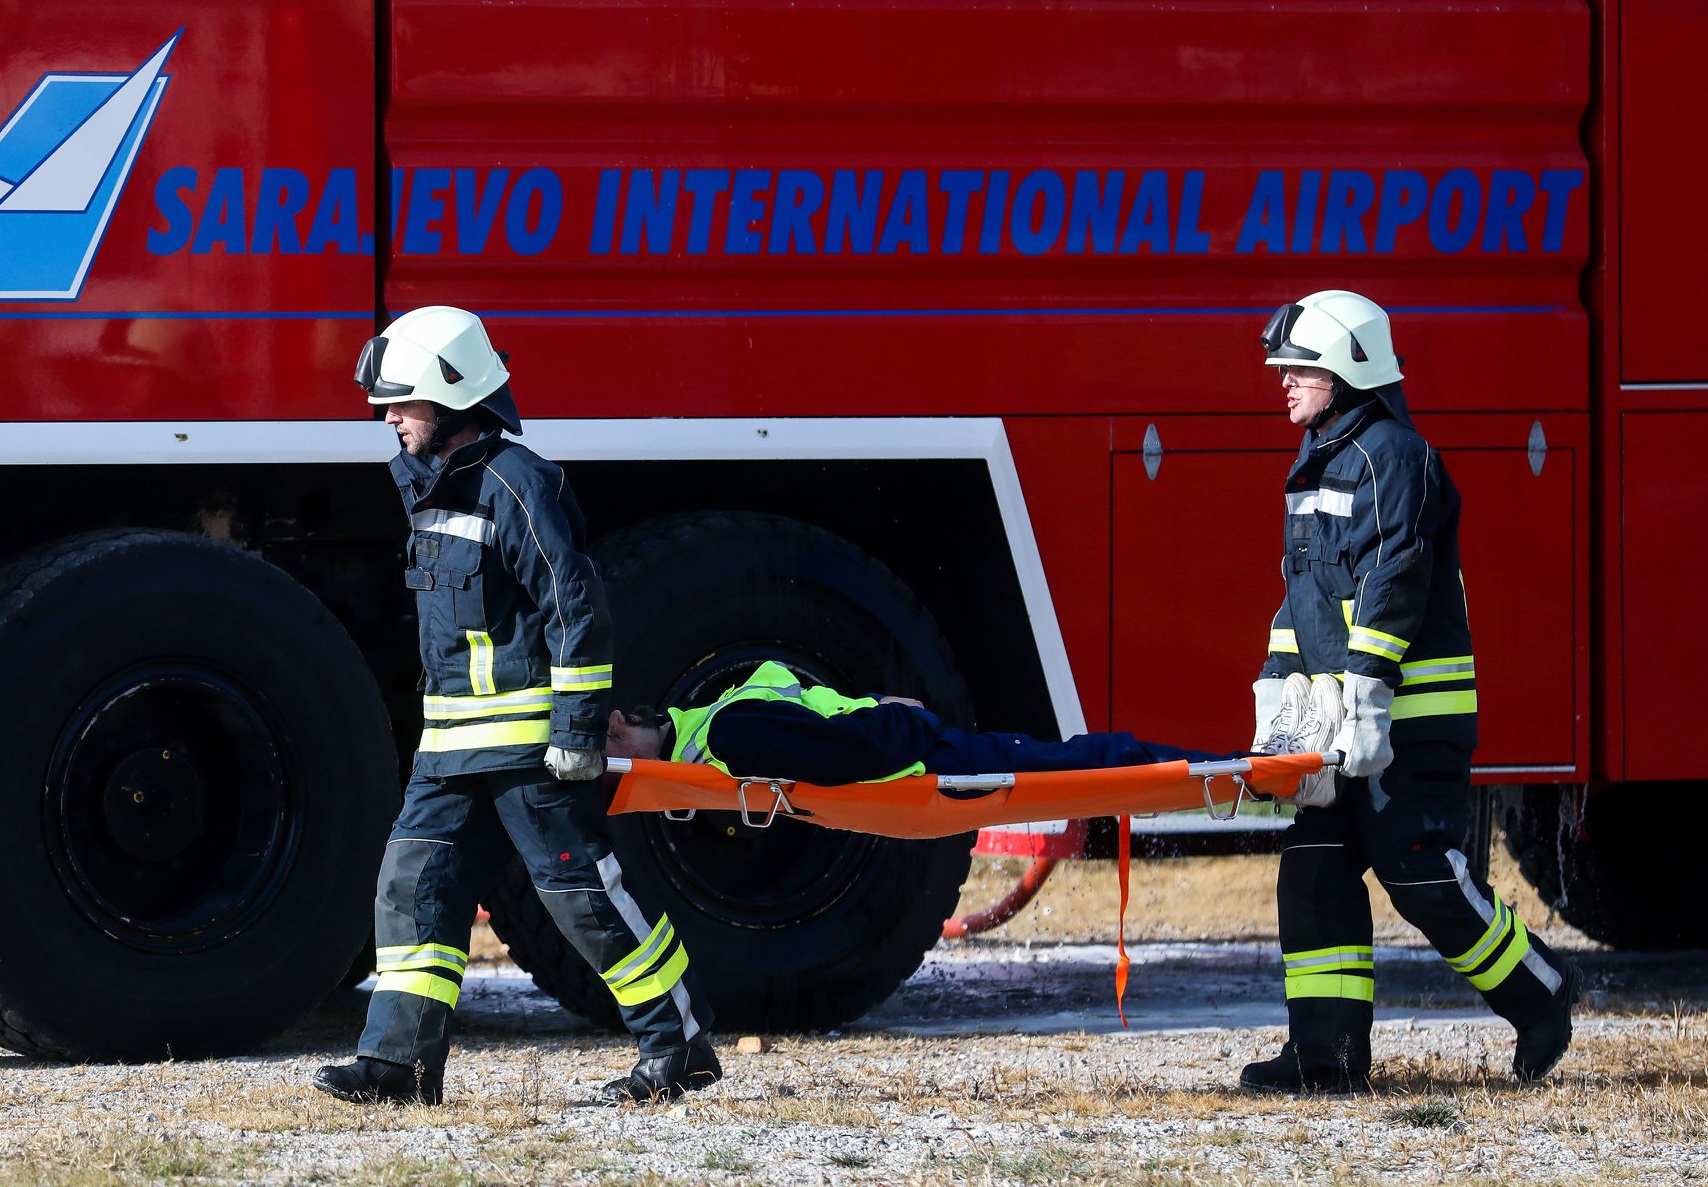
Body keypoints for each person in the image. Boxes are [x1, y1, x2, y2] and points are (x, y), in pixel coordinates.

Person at [313, 306, 717, 1107]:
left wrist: (573, 734)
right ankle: (401, 1068)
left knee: (583, 898)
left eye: (403, 403)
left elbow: (576, 609)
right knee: (412, 890)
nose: (387, 418)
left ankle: (679, 1049)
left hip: (532, 751)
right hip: (451, 753)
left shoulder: (517, 483)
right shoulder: (429, 489)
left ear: (454, 397)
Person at [1241, 290, 1578, 1094]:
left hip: (1408, 718)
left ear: (1348, 369)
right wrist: (1279, 694)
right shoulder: (1317, 460)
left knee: (1421, 873)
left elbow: (1395, 584)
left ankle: (1542, 995)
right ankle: (1327, 1058)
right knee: (1314, 870)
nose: (1283, 381)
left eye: (1300, 368)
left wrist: (1364, 693)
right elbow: (1304, 596)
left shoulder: (1395, 457)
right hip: (1340, 723)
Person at [603, 659, 1246, 782]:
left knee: (1072, 763)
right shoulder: (712, 729)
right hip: (914, 746)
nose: (623, 763)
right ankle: (1212, 765)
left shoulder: (724, 733)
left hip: (922, 756)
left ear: (621, 722)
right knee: (1064, 757)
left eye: (614, 749)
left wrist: (902, 722)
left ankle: (1218, 769)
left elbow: (845, 756)